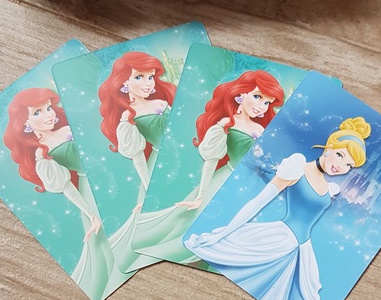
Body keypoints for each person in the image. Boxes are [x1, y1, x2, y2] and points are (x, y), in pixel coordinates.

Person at [184, 117, 372, 300]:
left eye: (349, 165)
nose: (341, 166)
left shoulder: (330, 187)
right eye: (340, 155)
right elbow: (259, 201)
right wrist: (225, 232)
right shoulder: (297, 167)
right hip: (280, 240)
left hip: (302, 251)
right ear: (330, 146)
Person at [118, 69, 285, 271]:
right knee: (202, 233)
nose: (261, 106)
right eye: (257, 97)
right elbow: (211, 161)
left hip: (250, 187)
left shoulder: (260, 129)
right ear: (241, 94)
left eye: (267, 102)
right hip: (225, 183)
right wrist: (201, 194)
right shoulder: (226, 124)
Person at [3, 87, 118, 300]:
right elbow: (67, 187)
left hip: (106, 174)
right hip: (88, 188)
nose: (48, 115)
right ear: (25, 122)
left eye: (48, 108)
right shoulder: (42, 153)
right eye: (37, 112)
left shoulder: (68, 128)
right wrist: (91, 215)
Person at [98, 51, 176, 212]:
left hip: (181, 154)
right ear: (124, 81)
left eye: (151, 77)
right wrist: (149, 189)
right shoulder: (128, 116)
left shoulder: (161, 103)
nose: (148, 83)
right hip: (160, 164)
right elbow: (138, 159)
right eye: (139, 77)